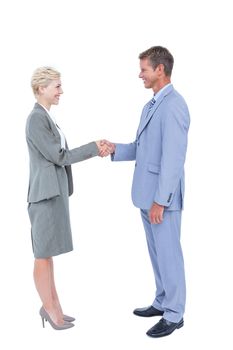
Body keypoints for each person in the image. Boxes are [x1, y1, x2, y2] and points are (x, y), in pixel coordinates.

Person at [103, 46, 190, 338]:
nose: (140, 74)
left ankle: (175, 314)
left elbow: (173, 160)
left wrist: (160, 201)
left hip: (160, 200)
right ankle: (162, 300)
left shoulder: (174, 105)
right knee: (157, 255)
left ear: (160, 70)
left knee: (169, 255)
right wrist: (116, 149)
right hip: (146, 195)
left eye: (144, 69)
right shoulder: (151, 105)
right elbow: (143, 148)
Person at [26, 66, 110, 330]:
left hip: (53, 195)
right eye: (57, 86)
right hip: (44, 197)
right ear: (42, 88)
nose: (61, 91)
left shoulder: (47, 118)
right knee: (42, 255)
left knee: (48, 254)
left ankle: (54, 306)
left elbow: (58, 154)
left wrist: (95, 148)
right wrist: (94, 149)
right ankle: (50, 309)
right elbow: (59, 156)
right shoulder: (36, 119)